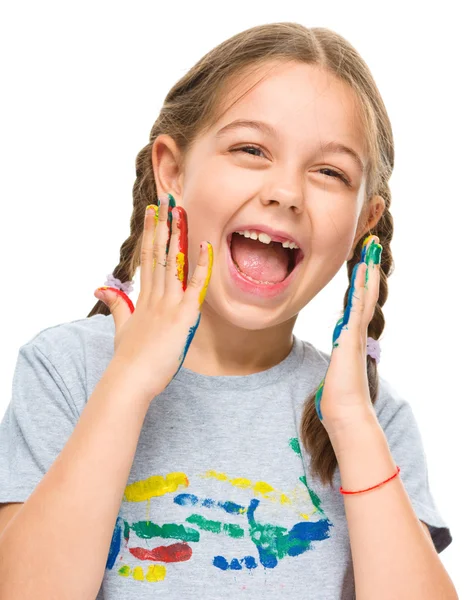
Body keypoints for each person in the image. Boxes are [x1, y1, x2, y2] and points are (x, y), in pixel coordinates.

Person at [0, 22, 457, 600]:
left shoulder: (375, 420)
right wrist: (130, 382)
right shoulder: (66, 369)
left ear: (364, 225)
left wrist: (350, 422)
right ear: (171, 170)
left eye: (329, 172)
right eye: (251, 150)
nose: (286, 192)